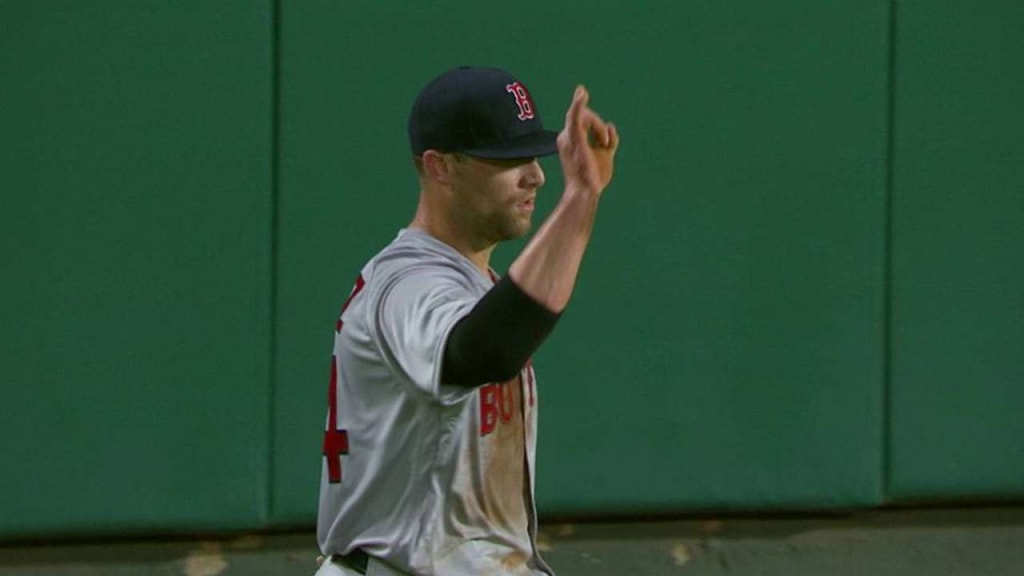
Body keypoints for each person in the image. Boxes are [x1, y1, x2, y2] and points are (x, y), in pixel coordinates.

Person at [315, 66, 620, 576]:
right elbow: (481, 353)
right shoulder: (405, 283)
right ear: (440, 167)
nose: (536, 175)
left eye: (535, 156)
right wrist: (578, 200)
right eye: (509, 160)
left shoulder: (472, 286)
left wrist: (584, 197)